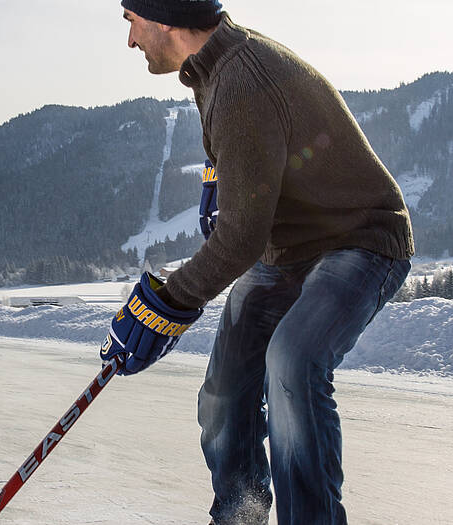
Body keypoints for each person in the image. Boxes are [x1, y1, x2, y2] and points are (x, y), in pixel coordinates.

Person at [108, 2, 414, 523]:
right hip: (287, 250)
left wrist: (169, 301)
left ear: (161, 17)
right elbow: (246, 187)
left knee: (292, 362)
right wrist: (220, 187)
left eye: (130, 22)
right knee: (225, 394)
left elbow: (241, 240)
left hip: (359, 238)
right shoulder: (213, 71)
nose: (130, 41)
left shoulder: (241, 81)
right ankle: (239, 515)